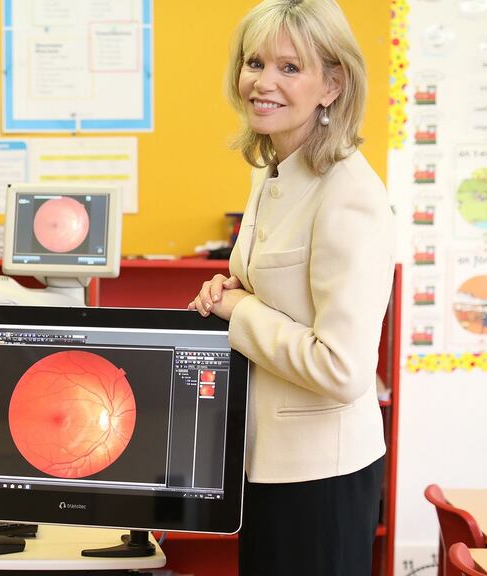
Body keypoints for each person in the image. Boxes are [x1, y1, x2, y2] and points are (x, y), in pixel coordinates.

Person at [187, 1, 395, 574]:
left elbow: (343, 369)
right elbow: (277, 290)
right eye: (255, 63)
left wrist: (240, 313)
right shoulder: (273, 167)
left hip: (319, 477)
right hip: (263, 463)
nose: (263, 82)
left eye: (289, 68)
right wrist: (231, 288)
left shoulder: (349, 193)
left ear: (332, 84)